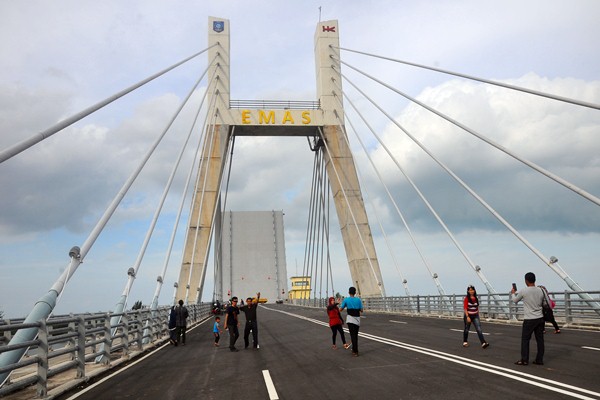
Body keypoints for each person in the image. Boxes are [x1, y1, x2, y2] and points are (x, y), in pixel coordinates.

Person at [511, 272, 545, 366]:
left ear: (526, 280)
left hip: (529, 319)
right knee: (540, 340)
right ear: (534, 279)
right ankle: (539, 359)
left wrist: (513, 293)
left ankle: (524, 360)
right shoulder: (541, 290)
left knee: (525, 339)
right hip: (540, 317)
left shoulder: (524, 291)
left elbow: (515, 301)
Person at [339, 286, 363, 357]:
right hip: (357, 320)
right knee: (355, 335)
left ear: (349, 292)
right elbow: (361, 310)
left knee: (352, 335)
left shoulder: (346, 300)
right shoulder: (358, 300)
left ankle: (355, 351)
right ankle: (355, 350)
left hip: (350, 319)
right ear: (355, 293)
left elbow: (340, 309)